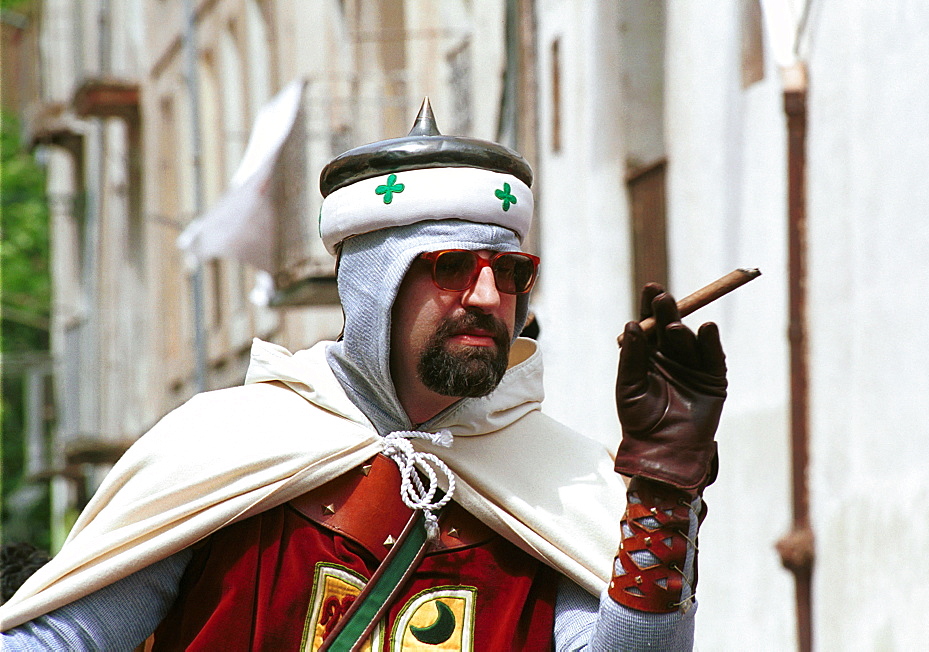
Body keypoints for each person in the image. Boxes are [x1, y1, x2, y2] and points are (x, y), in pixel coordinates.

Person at [0, 100, 727, 650]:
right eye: (449, 267)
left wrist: (663, 487)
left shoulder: (555, 479)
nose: (486, 296)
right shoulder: (225, 447)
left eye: (509, 271)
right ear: (374, 284)